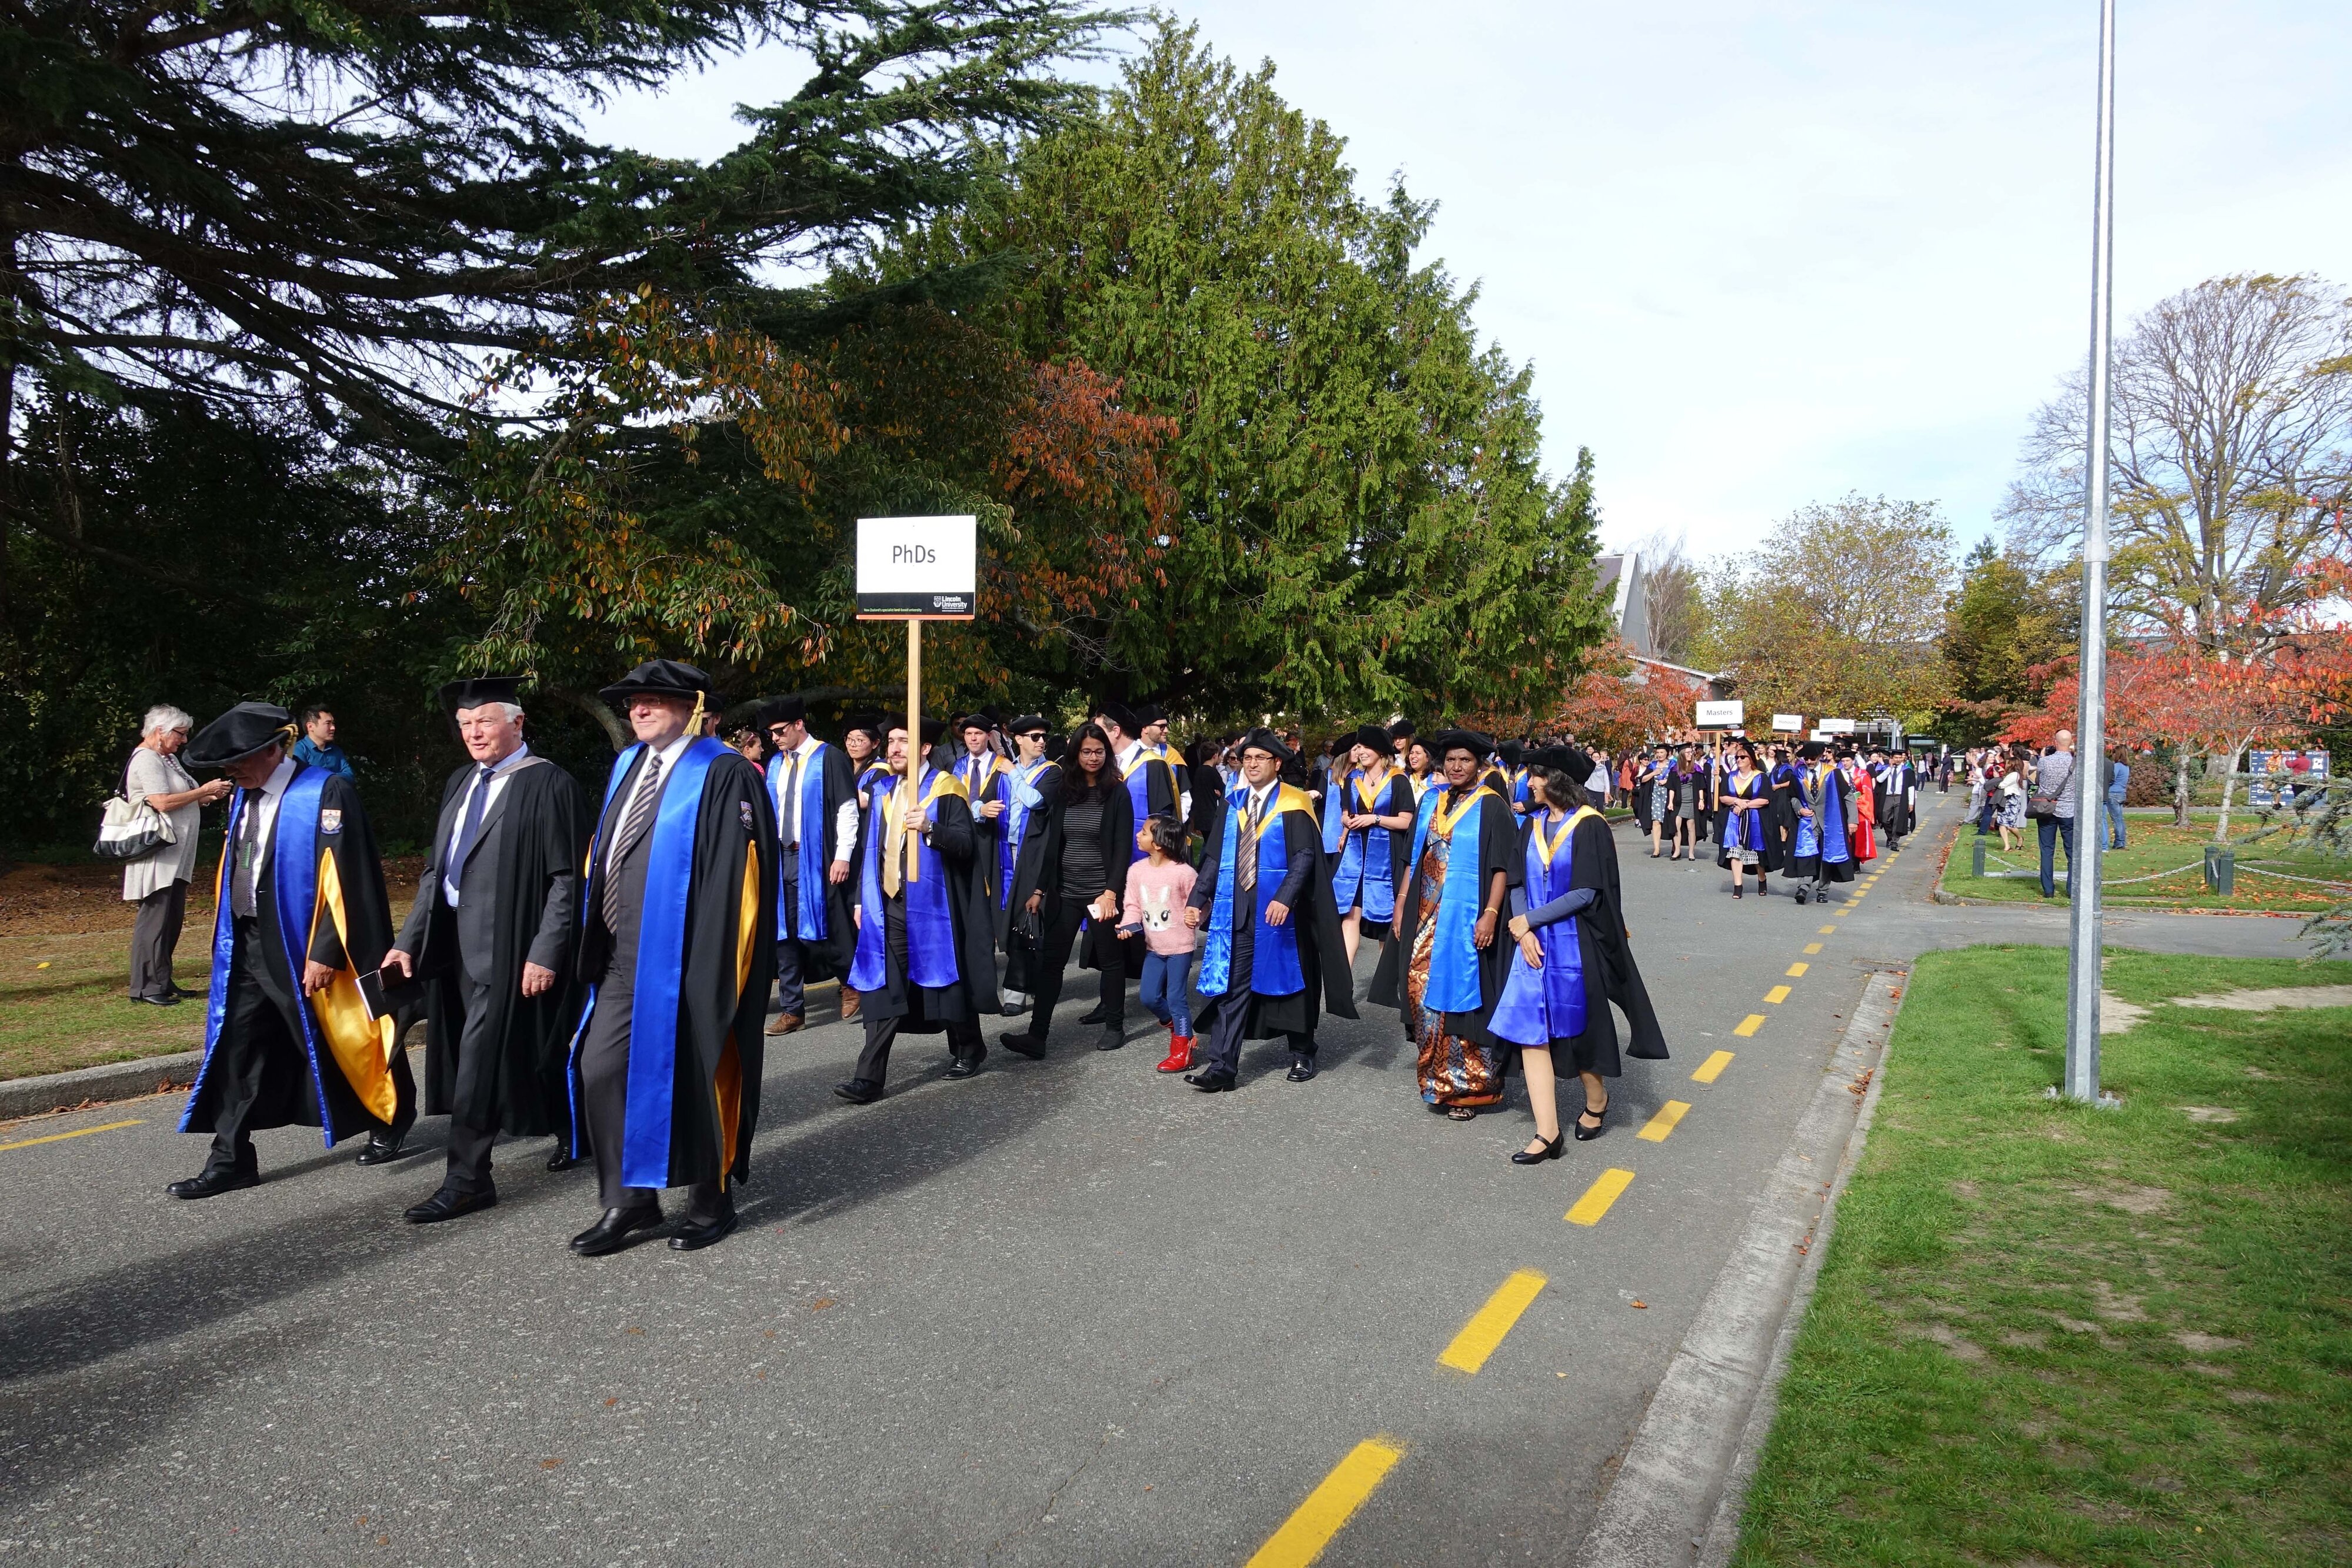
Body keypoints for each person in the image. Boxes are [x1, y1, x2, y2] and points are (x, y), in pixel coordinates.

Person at [568, 660, 776, 1255]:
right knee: (601, 1066)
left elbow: (739, 878)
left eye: (654, 699)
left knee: (695, 1070)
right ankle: (632, 1197)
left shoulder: (723, 771)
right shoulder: (627, 765)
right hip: (619, 950)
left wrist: (712, 968)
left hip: (687, 957)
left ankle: (710, 1199)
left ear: (691, 707)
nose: (639, 708)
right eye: (633, 700)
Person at [169, 702, 409, 1196]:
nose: (232, 773)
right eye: (227, 766)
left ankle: (389, 1113)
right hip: (246, 941)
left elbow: (348, 878)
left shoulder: (324, 791)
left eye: (242, 761)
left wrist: (325, 951)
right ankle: (231, 1158)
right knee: (236, 1045)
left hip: (303, 941)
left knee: (333, 1034)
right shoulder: (244, 794)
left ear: (277, 749)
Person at [382, 678, 592, 1220]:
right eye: (465, 725)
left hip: (511, 946)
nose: (474, 733)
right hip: (452, 947)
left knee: (480, 1063)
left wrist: (546, 951)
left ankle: (469, 1179)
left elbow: (567, 879)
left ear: (517, 723)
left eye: (485, 722)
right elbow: (436, 871)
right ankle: (575, 1125)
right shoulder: (460, 781)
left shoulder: (549, 784)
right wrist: (408, 942)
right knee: (512, 1052)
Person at [1490, 749, 1668, 1161]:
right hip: (1530, 943)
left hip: (1575, 941)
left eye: (1534, 777)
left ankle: (1597, 1097)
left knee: (1579, 1033)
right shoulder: (1530, 825)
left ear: (1555, 780)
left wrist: (1529, 921)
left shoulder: (1590, 827)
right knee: (1530, 1033)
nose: (1528, 783)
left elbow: (1586, 892)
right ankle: (1547, 1132)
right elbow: (1515, 880)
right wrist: (1521, 927)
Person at [1182, 728, 1356, 1092]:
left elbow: (1305, 856)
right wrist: (1197, 899)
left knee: (1293, 982)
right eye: (1246, 758)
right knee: (1232, 987)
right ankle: (1221, 1068)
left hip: (1282, 913)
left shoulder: (1294, 802)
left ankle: (1303, 1050)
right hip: (1239, 910)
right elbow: (1214, 856)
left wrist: (1285, 896)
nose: (1252, 764)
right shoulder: (1234, 803)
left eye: (1260, 758)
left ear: (1277, 763)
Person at [835, 718, 998, 1099]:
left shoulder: (946, 788)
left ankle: (969, 1046)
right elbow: (869, 851)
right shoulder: (883, 790)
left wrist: (929, 828)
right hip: (887, 904)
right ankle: (869, 1078)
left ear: (924, 748)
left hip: (933, 905)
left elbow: (965, 846)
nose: (893, 748)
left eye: (903, 742)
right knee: (885, 983)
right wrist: (862, 898)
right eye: (890, 741)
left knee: (943, 976)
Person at [1369, 729, 1519, 1119]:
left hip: (1465, 919)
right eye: (1450, 760)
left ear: (1478, 765)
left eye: (1465, 760)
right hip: (1423, 915)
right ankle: (1436, 1080)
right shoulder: (1430, 800)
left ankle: (1470, 1089)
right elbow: (1411, 859)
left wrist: (1490, 913)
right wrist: (1400, 906)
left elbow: (1502, 865)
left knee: (1464, 1001)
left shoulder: (1492, 805)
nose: (1456, 767)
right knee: (1421, 998)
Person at [1001, 723, 1132, 1056]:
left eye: (1099, 751)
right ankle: (1037, 1037)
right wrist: (1039, 890)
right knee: (1052, 962)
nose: (1093, 757)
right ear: (1076, 753)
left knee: (1110, 960)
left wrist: (1111, 893)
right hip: (1065, 891)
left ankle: (1115, 1026)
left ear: (1107, 754)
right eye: (1086, 751)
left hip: (1101, 893)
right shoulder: (1065, 791)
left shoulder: (1118, 792)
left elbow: (1121, 848)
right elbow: (1053, 845)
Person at [761, 696, 859, 1037]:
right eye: (771, 733)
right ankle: (792, 1009)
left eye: (780, 731)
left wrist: (843, 854)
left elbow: (847, 808)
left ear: (799, 724)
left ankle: (851, 985)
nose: (774, 738)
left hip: (819, 856)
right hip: (782, 855)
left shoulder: (828, 757)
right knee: (784, 934)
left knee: (829, 926)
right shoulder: (776, 764)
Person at [123, 705, 231, 1005]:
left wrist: (207, 797)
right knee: (155, 919)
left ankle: (162, 979)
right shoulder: (147, 759)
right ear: (160, 732)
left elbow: (179, 798)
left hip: (177, 852)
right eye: (180, 734)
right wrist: (202, 790)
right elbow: (161, 802)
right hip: (159, 852)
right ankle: (145, 987)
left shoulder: (166, 759)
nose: (183, 740)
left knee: (171, 919)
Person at [1327, 724, 1417, 966]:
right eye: (1359, 747)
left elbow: (1406, 821)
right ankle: (1344, 977)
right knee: (1351, 913)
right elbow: (1344, 815)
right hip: (1355, 854)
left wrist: (1375, 819)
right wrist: (1349, 821)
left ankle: (1386, 980)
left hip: (1388, 854)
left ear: (1380, 751)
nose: (1360, 751)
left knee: (1386, 918)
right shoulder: (1352, 778)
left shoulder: (1399, 780)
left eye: (1365, 747)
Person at [1120, 814, 1200, 1072]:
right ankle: (1178, 1026)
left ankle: (1182, 1050)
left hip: (1180, 947)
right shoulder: (1137, 871)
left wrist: (1196, 914)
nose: (1138, 835)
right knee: (1148, 997)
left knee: (1177, 999)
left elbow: (1200, 903)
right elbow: (1132, 905)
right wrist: (1127, 926)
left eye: (1144, 832)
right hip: (1154, 947)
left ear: (1159, 843)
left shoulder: (1184, 873)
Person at [997, 716, 1063, 1015]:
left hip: (1034, 852)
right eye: (1034, 736)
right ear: (1018, 740)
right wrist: (978, 808)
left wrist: (1013, 774)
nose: (1040, 741)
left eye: (1042, 737)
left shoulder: (1051, 772)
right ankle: (1029, 984)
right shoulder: (1002, 772)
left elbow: (1035, 801)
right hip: (1004, 852)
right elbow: (977, 801)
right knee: (1010, 916)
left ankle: (1019, 989)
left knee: (1030, 914)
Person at [1096, 700, 1180, 862]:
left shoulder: (1153, 765)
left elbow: (1162, 822)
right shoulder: (1104, 765)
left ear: (1116, 731)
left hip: (1142, 863)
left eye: (1099, 731)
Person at [1789, 742, 1859, 904]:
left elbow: (1849, 797)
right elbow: (1792, 797)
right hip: (1808, 821)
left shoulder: (1833, 774)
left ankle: (1823, 890)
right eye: (1806, 759)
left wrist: (1852, 821)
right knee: (1807, 854)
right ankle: (1803, 887)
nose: (1809, 762)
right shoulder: (1798, 774)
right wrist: (1800, 809)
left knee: (1827, 856)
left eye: (1812, 758)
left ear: (1820, 757)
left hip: (1830, 821)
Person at [1715, 739, 1780, 899]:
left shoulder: (1761, 777)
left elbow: (1765, 800)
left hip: (1755, 819)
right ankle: (1738, 886)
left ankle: (1762, 879)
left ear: (1751, 759)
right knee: (1735, 851)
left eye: (1743, 757)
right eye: (1737, 757)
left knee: (1756, 853)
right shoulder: (1730, 777)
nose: (1739, 760)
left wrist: (1744, 805)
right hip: (1734, 819)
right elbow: (1723, 797)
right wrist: (1736, 801)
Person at [2033, 729, 2078, 898]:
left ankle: (2048, 889)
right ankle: (2072, 889)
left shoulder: (2044, 762)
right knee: (2072, 852)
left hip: (2047, 810)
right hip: (2069, 810)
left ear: (2055, 741)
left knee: (2046, 850)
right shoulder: (2077, 763)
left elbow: (2037, 781)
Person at [291, 703, 355, 778]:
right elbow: (303, 780)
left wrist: (328, 778)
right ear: (311, 727)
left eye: (333, 723)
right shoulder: (299, 750)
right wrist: (332, 779)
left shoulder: (336, 751)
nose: (333, 728)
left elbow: (349, 775)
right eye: (328, 723)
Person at [2106, 749, 2130, 850]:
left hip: (2113, 793)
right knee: (2120, 819)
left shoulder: (2117, 766)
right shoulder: (2126, 767)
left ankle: (2119, 842)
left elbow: (2111, 779)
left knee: (2116, 820)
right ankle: (2122, 841)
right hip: (2121, 793)